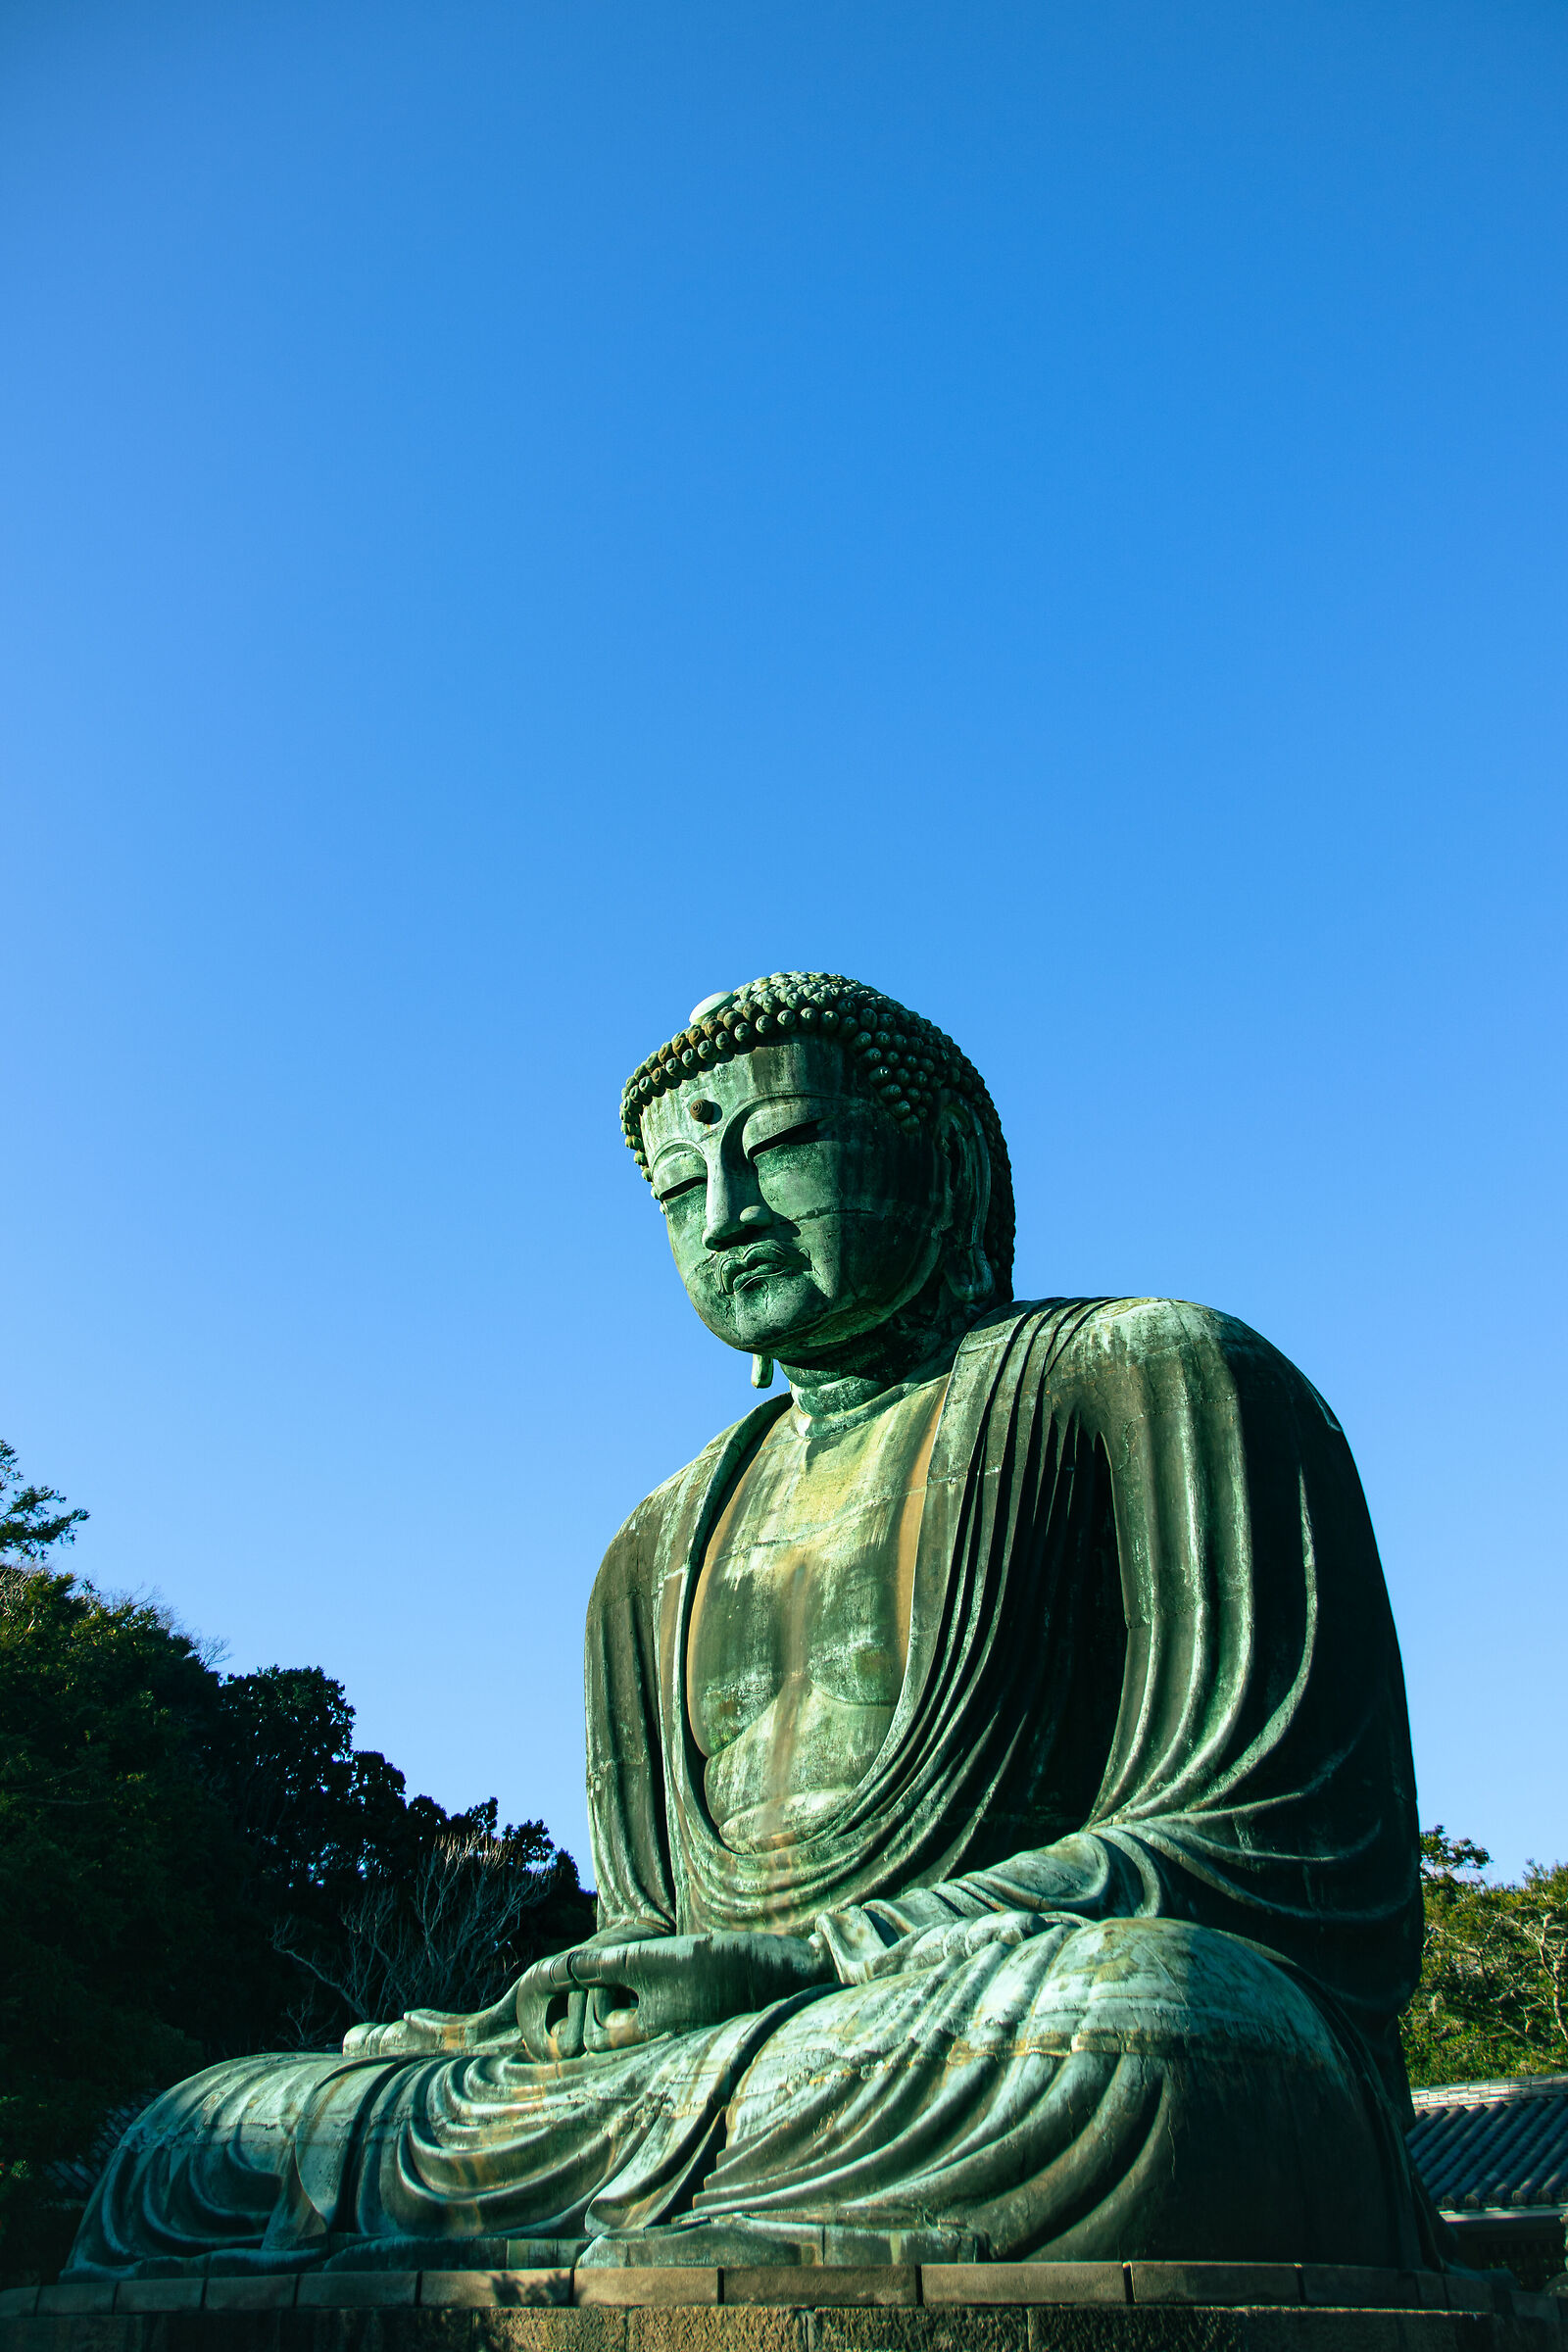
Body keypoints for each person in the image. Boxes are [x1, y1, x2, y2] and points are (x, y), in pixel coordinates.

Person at [72, 973, 1436, 2277]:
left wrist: (812, 1958)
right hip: (744, 2069)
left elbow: (1278, 1853)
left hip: (984, 2016)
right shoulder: (652, 1545)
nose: (725, 1216)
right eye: (679, 1189)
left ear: (949, 1162)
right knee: (206, 2133)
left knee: (1149, 2030)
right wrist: (550, 2014)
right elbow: (647, 1932)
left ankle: (636, 2207)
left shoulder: (1151, 1374)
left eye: (779, 1149)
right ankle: (648, 2209)